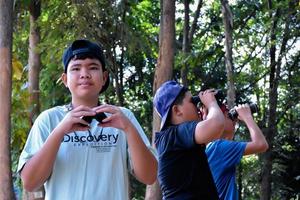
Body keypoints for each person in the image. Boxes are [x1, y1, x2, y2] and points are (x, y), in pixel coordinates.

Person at [18, 39, 157, 200]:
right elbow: (30, 182)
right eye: (76, 68)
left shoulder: (122, 117)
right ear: (65, 79)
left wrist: (129, 128)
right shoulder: (49, 119)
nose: (84, 74)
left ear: (104, 77)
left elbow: (149, 176)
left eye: (93, 67)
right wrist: (60, 131)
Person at [153, 80, 225, 199]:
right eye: (192, 101)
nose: (197, 106)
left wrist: (206, 119)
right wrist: (211, 103)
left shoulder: (171, 138)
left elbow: (213, 133)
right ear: (177, 110)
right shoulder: (175, 134)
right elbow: (217, 125)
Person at [204, 103, 269, 200]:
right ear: (217, 121)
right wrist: (247, 117)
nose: (235, 121)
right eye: (228, 116)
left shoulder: (207, 149)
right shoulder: (218, 148)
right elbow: (261, 144)